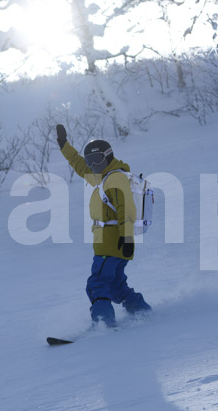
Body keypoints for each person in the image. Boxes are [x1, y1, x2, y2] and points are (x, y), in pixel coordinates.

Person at [55, 124, 151, 328]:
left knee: (97, 284)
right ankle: (143, 312)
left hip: (113, 243)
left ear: (108, 156)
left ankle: (103, 325)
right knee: (116, 287)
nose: (93, 165)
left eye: (97, 160)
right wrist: (64, 145)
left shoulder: (115, 178)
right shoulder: (104, 177)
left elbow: (126, 210)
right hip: (111, 244)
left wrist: (127, 238)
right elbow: (80, 166)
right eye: (90, 161)